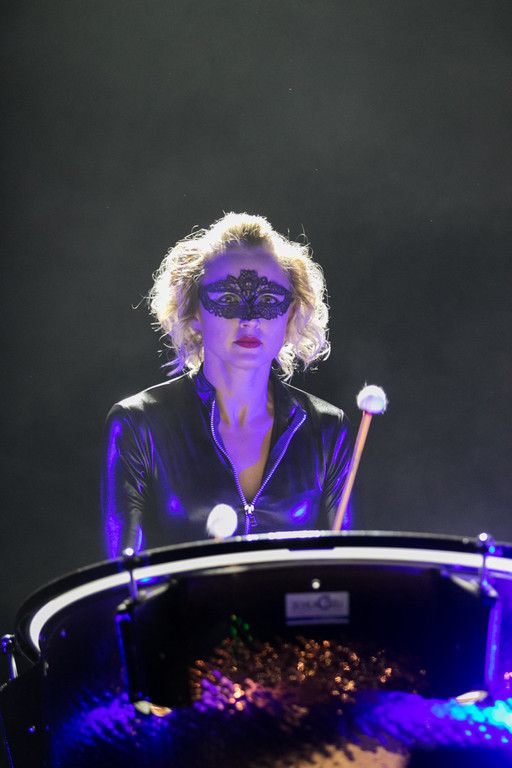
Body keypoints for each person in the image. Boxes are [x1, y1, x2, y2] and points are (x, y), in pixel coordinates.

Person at [101, 213, 351, 558]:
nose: (249, 319)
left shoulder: (326, 428)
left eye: (268, 300)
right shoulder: (138, 424)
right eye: (229, 299)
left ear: (291, 313)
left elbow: (345, 567)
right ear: (194, 311)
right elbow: (124, 578)